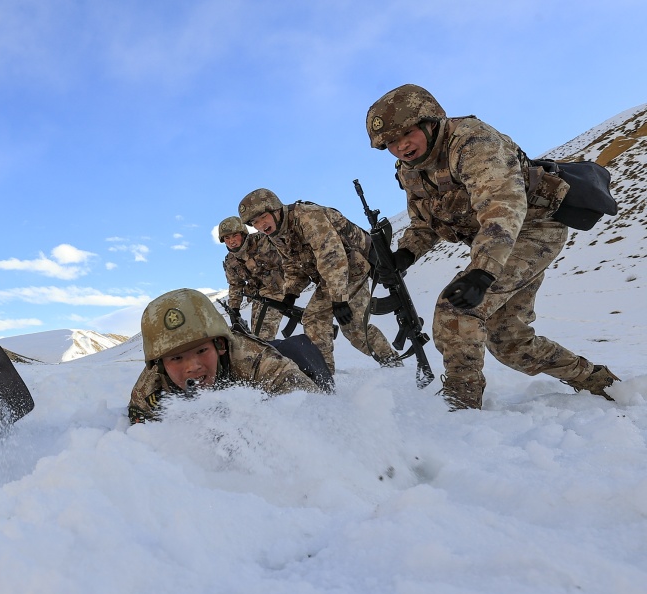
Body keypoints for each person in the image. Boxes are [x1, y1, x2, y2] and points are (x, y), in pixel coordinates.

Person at [365, 83, 620, 409]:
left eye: (407, 133)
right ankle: (600, 382)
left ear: (430, 122)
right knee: (509, 340)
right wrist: (405, 254)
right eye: (390, 142)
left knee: (456, 309)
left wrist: (482, 272)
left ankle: (461, 405)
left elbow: (502, 206)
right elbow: (424, 223)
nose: (401, 146)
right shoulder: (410, 171)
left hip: (532, 230)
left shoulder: (473, 142)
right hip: (497, 241)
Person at [237, 188, 400, 376]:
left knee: (333, 324)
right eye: (254, 222)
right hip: (331, 277)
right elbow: (293, 265)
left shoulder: (308, 217)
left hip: (349, 269)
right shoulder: (277, 234)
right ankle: (332, 376)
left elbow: (332, 256)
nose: (260, 225)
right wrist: (291, 294)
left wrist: (339, 299)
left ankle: (329, 378)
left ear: (276, 209)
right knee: (337, 325)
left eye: (263, 217)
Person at [128, 288, 320, 424]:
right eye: (176, 358)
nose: (192, 366)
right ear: (159, 364)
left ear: (220, 345)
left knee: (296, 354)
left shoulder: (256, 360)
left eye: (201, 351)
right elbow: (139, 432)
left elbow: (311, 406)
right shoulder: (150, 387)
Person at [219, 216, 287, 339]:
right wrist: (234, 308)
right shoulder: (230, 260)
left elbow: (288, 256)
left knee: (263, 336)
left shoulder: (264, 240)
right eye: (227, 238)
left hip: (278, 289)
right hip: (259, 297)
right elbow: (235, 285)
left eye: (235, 236)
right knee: (256, 337)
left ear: (243, 234)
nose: (231, 241)